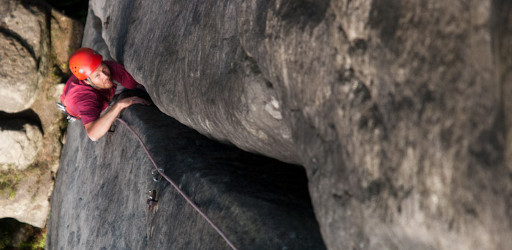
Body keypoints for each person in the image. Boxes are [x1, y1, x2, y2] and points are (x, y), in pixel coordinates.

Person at [60, 47, 151, 141]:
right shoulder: (86, 99)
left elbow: (133, 82)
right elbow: (93, 134)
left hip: (83, 85)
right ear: (87, 81)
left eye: (103, 68)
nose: (106, 76)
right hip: (71, 105)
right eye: (97, 76)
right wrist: (119, 105)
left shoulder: (107, 67)